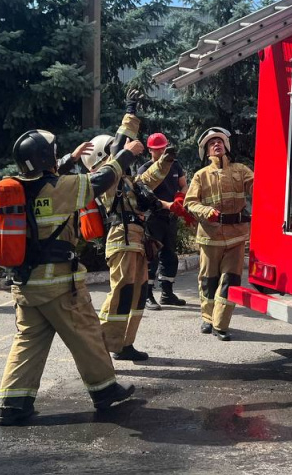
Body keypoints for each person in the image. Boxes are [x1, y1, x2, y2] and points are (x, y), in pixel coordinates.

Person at [0, 128, 138, 426]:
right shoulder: (61, 188)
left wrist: (70, 159)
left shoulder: (19, 189)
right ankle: (104, 390)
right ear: (46, 157)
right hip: (59, 285)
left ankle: (13, 403)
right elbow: (100, 180)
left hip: (26, 285)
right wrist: (126, 154)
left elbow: (46, 178)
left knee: (28, 342)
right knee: (87, 334)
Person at [85, 99, 178, 363]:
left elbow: (147, 180)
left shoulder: (125, 180)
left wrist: (165, 161)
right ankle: (101, 346)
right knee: (122, 292)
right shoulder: (106, 179)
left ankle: (124, 344)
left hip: (135, 239)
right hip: (121, 238)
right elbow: (119, 149)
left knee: (137, 293)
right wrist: (130, 114)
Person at [184, 127, 254, 341]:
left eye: (219, 141)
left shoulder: (241, 170)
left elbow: (257, 188)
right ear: (206, 152)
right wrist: (206, 211)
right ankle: (207, 318)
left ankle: (220, 324)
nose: (217, 144)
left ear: (226, 146)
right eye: (212, 143)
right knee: (208, 280)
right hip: (210, 237)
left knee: (230, 281)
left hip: (236, 236)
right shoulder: (201, 175)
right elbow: (190, 203)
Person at [138, 132, 188, 308]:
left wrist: (180, 198)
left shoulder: (175, 165)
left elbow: (183, 184)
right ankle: (147, 295)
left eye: (163, 148)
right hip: (153, 217)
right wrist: (168, 205)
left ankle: (167, 294)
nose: (161, 152)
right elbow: (146, 196)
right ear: (150, 150)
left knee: (170, 256)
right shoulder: (145, 170)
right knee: (151, 256)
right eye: (157, 149)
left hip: (170, 217)